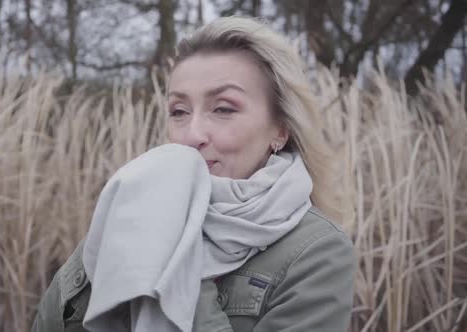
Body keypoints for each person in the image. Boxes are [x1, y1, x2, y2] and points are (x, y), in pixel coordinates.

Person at [33, 16, 356, 332]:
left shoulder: (318, 252)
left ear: (281, 129)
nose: (193, 134)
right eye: (179, 111)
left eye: (224, 109)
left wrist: (180, 262)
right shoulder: (133, 211)